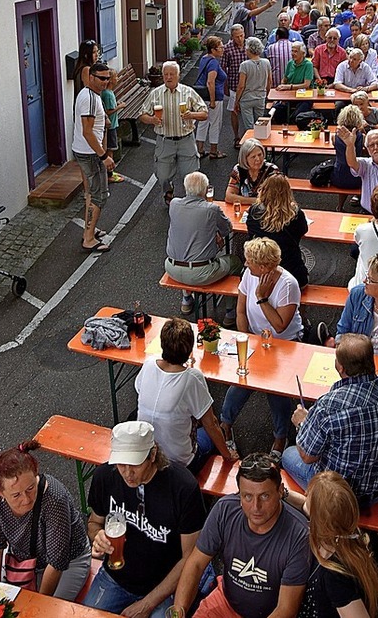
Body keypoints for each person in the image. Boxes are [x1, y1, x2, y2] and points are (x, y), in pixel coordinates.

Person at [84, 421, 208, 616]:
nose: (127, 472)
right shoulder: (105, 475)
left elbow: (190, 558)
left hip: (165, 585)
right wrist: (97, 536)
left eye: (135, 464)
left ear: (152, 454)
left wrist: (147, 603)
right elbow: (94, 522)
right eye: (121, 464)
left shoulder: (183, 487)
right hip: (115, 578)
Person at [173, 453, 310, 618]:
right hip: (225, 601)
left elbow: (285, 609)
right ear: (239, 494)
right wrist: (177, 613)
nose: (255, 507)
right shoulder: (224, 510)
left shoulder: (299, 536)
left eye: (264, 496)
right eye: (247, 497)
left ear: (280, 491)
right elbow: (195, 564)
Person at [282, 334, 378, 504]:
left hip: (339, 498)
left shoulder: (329, 406)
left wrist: (302, 423)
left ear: (341, 368)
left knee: (288, 454)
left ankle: (307, 507)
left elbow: (308, 456)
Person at [220, 238, 304, 459]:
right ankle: (225, 425)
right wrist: (245, 338)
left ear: (264, 267)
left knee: (275, 390)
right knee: (240, 382)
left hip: (285, 344)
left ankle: (280, 437)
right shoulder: (249, 275)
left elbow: (279, 325)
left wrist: (262, 297)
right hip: (256, 341)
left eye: (249, 262)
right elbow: (240, 311)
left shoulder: (288, 284)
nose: (245, 265)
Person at [0, 439, 91, 600]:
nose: (26, 499)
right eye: (16, 495)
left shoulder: (55, 498)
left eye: (30, 488)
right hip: (24, 557)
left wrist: (38, 604)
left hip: (68, 561)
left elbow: (56, 563)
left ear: (36, 474)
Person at [135, 318, 237, 472]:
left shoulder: (148, 364)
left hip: (147, 454)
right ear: (190, 349)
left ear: (162, 344)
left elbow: (139, 390)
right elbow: (212, 423)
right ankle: (205, 483)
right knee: (217, 432)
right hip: (180, 463)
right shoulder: (192, 377)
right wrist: (228, 455)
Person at [301, 471, 378, 618]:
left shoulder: (335, 576)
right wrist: (284, 494)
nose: (305, 496)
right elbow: (310, 506)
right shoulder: (351, 539)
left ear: (319, 520)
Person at [165, 171, 243, 320]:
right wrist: (214, 233)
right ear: (206, 190)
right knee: (235, 262)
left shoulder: (174, 204)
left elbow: (187, 226)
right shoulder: (211, 209)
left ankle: (186, 299)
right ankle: (229, 311)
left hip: (171, 267)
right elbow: (227, 229)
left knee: (185, 251)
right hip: (201, 272)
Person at [139, 61, 208, 206]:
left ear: (178, 75)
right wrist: (151, 119)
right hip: (165, 140)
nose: (169, 77)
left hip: (186, 139)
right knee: (162, 175)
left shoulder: (188, 92)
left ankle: (191, 202)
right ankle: (168, 190)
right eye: (166, 74)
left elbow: (204, 113)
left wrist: (192, 115)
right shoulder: (156, 93)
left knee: (191, 176)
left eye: (172, 74)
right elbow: (142, 114)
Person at [72, 61, 114, 253]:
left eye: (107, 78)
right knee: (99, 195)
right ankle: (88, 239)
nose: (105, 82)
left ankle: (90, 230)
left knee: (91, 193)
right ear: (91, 78)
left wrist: (103, 117)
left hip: (87, 152)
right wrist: (104, 156)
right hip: (90, 154)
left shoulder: (91, 95)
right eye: (101, 78)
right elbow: (87, 132)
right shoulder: (88, 98)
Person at [247, 174, 309, 288]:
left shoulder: (254, 211)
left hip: (258, 274)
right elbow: (303, 231)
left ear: (264, 190)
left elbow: (250, 231)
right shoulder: (296, 215)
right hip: (292, 273)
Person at [311, 105, 365, 212]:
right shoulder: (362, 137)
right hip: (357, 178)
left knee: (341, 167)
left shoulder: (334, 137)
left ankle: (340, 206)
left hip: (339, 176)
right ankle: (362, 203)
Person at [195, 36, 228, 160]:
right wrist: (213, 101)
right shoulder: (214, 62)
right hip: (213, 97)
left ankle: (200, 149)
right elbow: (210, 82)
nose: (223, 48)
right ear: (213, 50)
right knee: (214, 123)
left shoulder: (204, 58)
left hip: (202, 96)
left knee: (202, 123)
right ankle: (214, 151)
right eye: (220, 47)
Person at [235, 37, 273, 133]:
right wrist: (267, 94)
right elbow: (269, 82)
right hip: (260, 97)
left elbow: (241, 86)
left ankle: (250, 144)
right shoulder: (266, 63)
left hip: (247, 98)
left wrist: (237, 101)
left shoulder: (244, 65)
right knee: (259, 124)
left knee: (249, 126)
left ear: (249, 49)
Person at [225, 139, 280, 205]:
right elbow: (229, 196)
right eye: (253, 157)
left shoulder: (272, 170)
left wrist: (241, 200)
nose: (258, 159)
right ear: (245, 159)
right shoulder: (238, 169)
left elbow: (275, 199)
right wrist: (256, 201)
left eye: (260, 155)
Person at [274, 41, 314, 123]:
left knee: (297, 116)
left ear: (303, 53)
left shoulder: (308, 64)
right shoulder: (290, 63)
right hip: (289, 96)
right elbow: (284, 80)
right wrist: (282, 88)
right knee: (275, 110)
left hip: (304, 98)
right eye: (292, 51)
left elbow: (306, 85)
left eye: (295, 51)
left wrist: (289, 87)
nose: (293, 53)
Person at [221, 24, 246, 150]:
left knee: (247, 112)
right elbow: (223, 67)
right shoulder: (227, 48)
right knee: (234, 111)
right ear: (232, 37)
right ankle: (236, 136)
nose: (240, 39)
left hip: (248, 86)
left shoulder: (249, 45)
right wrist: (225, 84)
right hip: (234, 84)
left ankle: (247, 136)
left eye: (241, 36)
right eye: (237, 37)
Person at [333, 49, 378, 115]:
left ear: (360, 61)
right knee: (339, 105)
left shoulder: (366, 67)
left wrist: (365, 89)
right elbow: (337, 84)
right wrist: (351, 90)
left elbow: (375, 84)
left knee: (369, 108)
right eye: (350, 57)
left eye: (354, 59)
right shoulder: (342, 66)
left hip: (360, 97)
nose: (351, 61)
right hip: (345, 96)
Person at [101, 69, 125, 184]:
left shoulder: (107, 92)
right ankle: (109, 174)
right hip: (111, 126)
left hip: (111, 125)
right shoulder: (108, 94)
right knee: (110, 149)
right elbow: (109, 111)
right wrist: (119, 107)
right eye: (116, 77)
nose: (117, 79)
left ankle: (109, 172)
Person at [72, 39, 100, 103]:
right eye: (93, 52)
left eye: (97, 51)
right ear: (86, 55)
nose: (97, 55)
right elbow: (89, 91)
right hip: (86, 106)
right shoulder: (86, 69)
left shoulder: (87, 68)